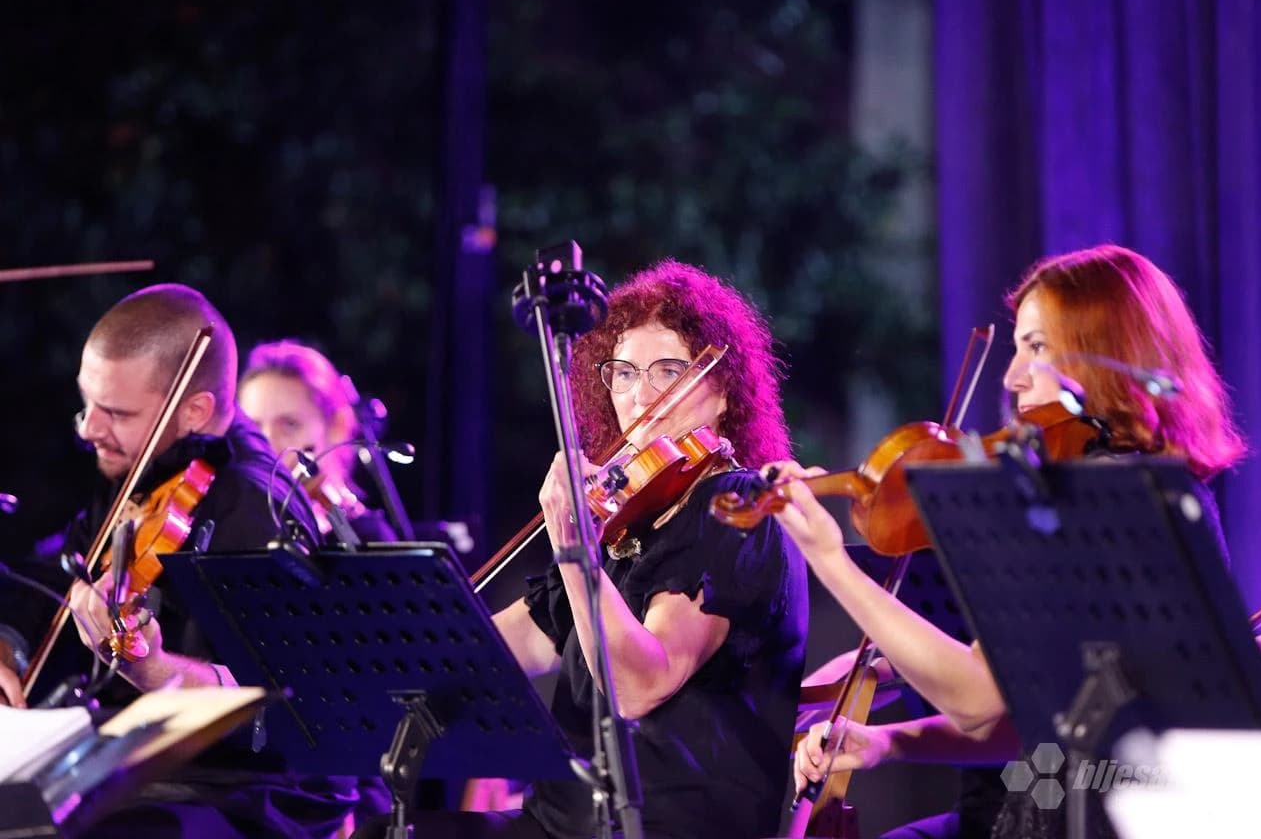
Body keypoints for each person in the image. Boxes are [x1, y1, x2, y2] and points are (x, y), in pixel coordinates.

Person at [771, 245, 1247, 839]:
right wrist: (884, 743)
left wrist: (830, 559)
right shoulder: (1079, 490)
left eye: (1038, 348)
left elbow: (976, 699)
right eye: (1017, 346)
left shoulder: (1120, 500)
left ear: (1108, 353)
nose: (1012, 376)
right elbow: (1038, 716)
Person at [354, 259, 808, 839]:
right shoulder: (625, 523)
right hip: (558, 823)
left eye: (667, 371)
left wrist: (574, 547)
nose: (640, 395)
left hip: (659, 826)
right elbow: (505, 647)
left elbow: (639, 684)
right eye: (622, 373)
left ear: (721, 391)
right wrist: (398, 648)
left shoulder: (738, 510)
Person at [0, 284, 360, 838]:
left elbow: (283, 710)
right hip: (146, 765)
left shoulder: (257, 510)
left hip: (248, 791)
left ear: (195, 411)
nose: (91, 428)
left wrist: (154, 669)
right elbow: (48, 577)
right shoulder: (140, 467)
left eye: (116, 412)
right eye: (87, 403)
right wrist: (7, 647)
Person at [237, 338, 396, 545]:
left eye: (289, 424)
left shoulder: (370, 540)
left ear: (338, 426)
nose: (267, 444)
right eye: (254, 427)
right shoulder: (232, 524)